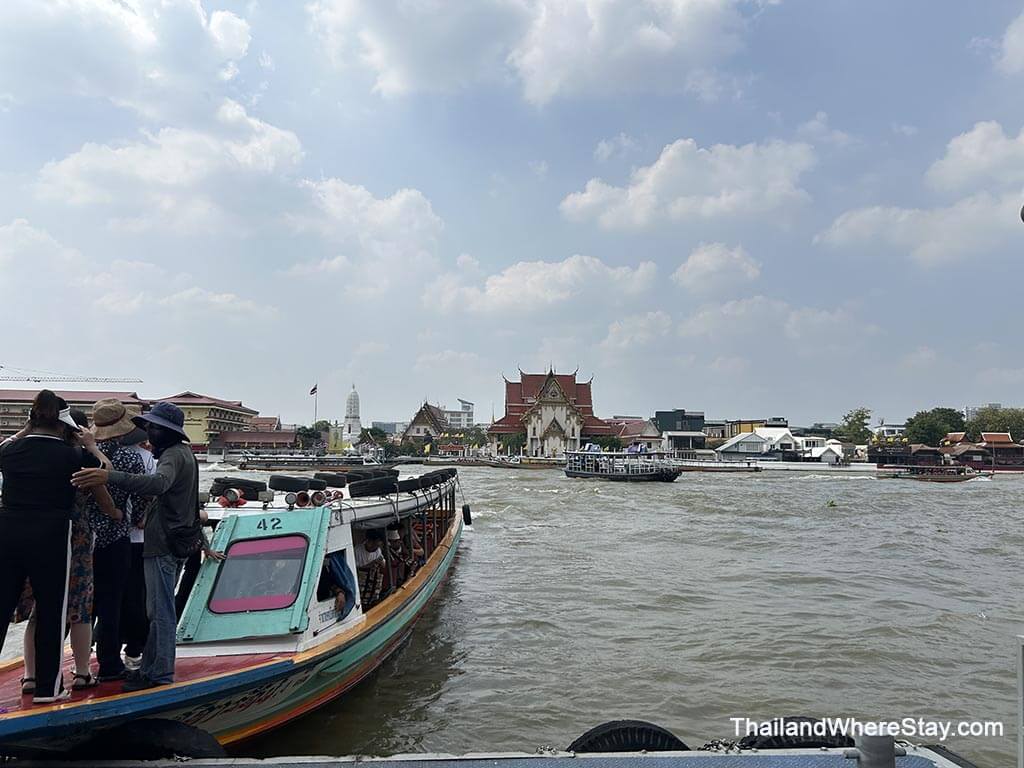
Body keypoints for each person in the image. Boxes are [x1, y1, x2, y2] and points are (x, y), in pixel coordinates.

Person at [72, 401, 222, 693]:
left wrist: (108, 476)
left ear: (167, 431)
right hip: (173, 541)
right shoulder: (183, 454)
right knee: (156, 609)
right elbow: (189, 505)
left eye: (154, 428)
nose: (150, 432)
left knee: (159, 611)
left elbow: (158, 484)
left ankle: (160, 673)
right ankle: (151, 668)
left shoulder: (172, 456)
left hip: (162, 544)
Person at [0, 391, 108, 703]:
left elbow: (5, 447)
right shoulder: (71, 455)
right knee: (51, 610)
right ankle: (48, 689)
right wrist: (91, 445)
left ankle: (32, 678)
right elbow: (104, 469)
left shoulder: (11, 450)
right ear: (64, 425)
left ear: (31, 420)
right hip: (52, 532)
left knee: (2, 603)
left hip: (8, 529)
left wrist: (23, 430)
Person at [88, 399, 147, 681]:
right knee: (112, 603)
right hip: (117, 536)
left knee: (83, 605)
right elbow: (142, 495)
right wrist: (134, 517)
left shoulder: (81, 454)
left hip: (83, 540)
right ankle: (109, 663)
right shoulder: (130, 458)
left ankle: (78, 663)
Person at [119, 427, 154, 670]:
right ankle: (134, 650)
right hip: (139, 538)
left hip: (106, 537)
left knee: (109, 599)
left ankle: (98, 651)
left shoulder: (103, 454)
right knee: (138, 595)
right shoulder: (147, 459)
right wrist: (144, 516)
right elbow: (153, 493)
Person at [354, 530, 386, 608]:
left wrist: (380, 562)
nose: (376, 547)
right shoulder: (357, 550)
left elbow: (383, 564)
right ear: (369, 541)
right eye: (375, 544)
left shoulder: (377, 550)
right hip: (360, 581)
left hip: (373, 582)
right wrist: (372, 563)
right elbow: (355, 568)